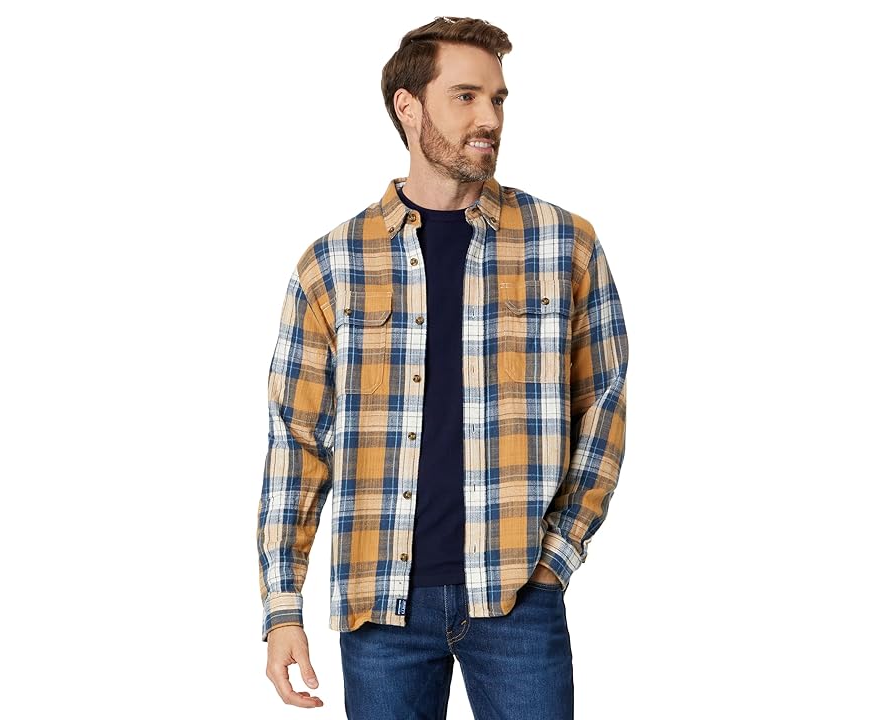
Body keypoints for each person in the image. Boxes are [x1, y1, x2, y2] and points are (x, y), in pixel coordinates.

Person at [256, 16, 629, 717]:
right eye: (466, 96)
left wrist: (555, 558)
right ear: (409, 106)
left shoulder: (564, 244)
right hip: (380, 608)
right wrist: (282, 608)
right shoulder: (332, 265)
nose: (489, 118)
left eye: (498, 99)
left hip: (518, 597)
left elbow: (602, 409)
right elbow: (295, 441)